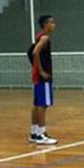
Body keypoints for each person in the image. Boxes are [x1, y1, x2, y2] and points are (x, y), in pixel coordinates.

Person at [29, 15, 58, 145]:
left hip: (37, 76)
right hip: (43, 76)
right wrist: (41, 71)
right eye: (51, 22)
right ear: (45, 24)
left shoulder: (39, 36)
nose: (54, 24)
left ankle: (34, 133)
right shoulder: (45, 38)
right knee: (43, 105)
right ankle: (41, 134)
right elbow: (35, 52)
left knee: (36, 104)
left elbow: (32, 52)